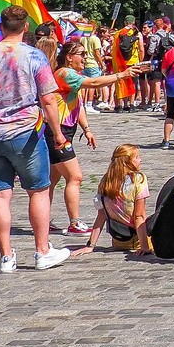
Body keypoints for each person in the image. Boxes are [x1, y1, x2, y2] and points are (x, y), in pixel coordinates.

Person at [0, 6, 71, 272]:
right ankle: (42, 251)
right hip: (24, 133)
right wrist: (58, 133)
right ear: (26, 27)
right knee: (38, 190)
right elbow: (48, 98)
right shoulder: (34, 56)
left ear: (1, 27)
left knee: (0, 193)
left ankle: (6, 256)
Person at [52, 38, 144, 235]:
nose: (85, 58)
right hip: (57, 133)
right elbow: (93, 82)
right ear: (69, 57)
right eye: (82, 54)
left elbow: (77, 105)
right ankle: (74, 222)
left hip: (64, 130)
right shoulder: (64, 73)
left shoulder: (71, 73)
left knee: (51, 179)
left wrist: (86, 129)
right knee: (75, 177)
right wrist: (121, 75)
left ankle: (44, 219)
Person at [82, 143, 150, 255]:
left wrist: (91, 245)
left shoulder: (106, 181)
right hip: (138, 240)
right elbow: (139, 216)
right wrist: (144, 247)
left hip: (118, 241)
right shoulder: (138, 179)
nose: (140, 160)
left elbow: (101, 215)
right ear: (127, 162)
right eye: (137, 157)